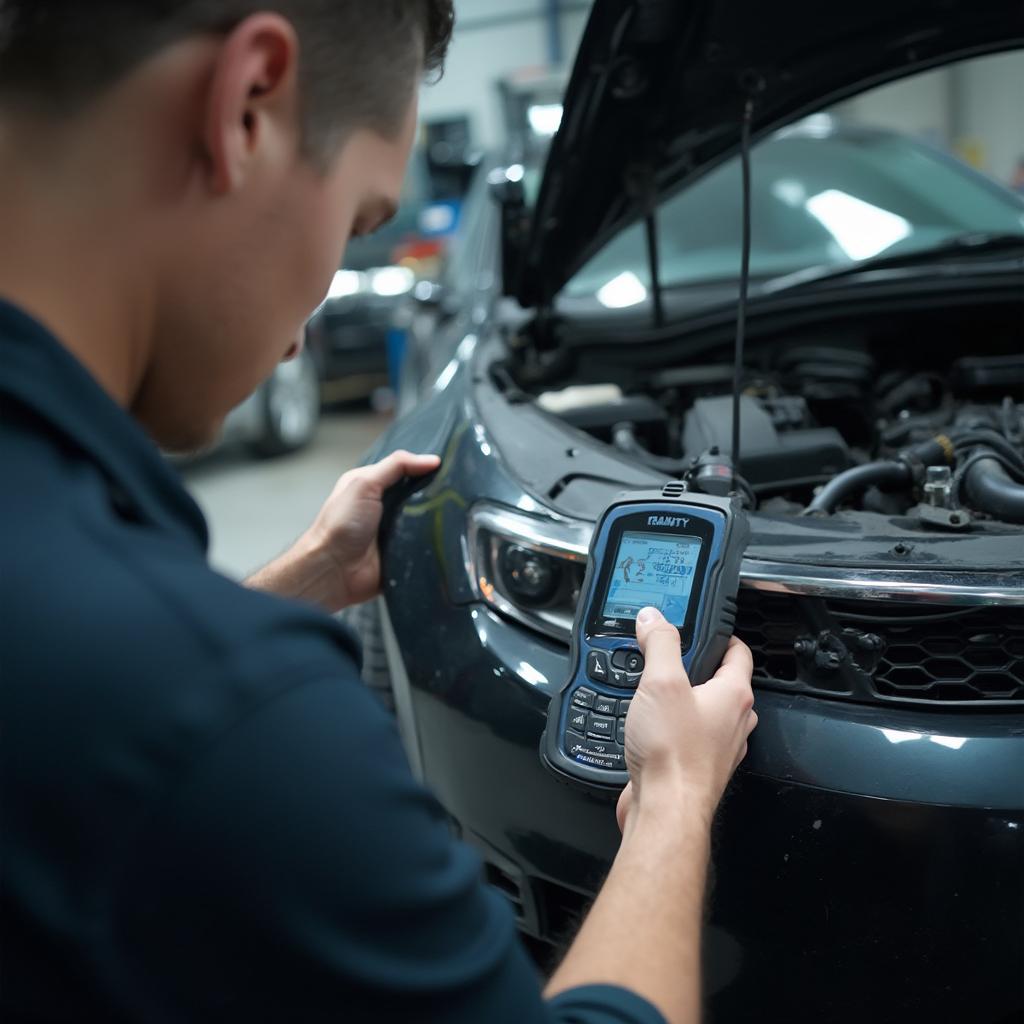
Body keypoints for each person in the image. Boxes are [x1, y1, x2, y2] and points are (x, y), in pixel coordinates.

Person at [0, 4, 757, 1022]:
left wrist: (290, 590)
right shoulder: (235, 720)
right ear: (247, 106)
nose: (307, 322)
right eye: (360, 216)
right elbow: (168, 706)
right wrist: (673, 799)